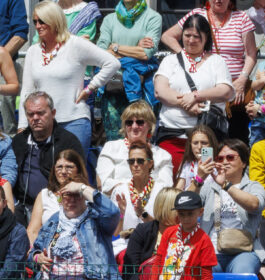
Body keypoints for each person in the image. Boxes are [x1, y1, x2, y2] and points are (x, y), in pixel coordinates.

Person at [18, 2, 120, 155]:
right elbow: (27, 91)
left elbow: (112, 63)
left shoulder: (75, 44)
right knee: (47, 174)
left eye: (42, 21)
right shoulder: (33, 51)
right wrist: (22, 124)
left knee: (74, 173)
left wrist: (90, 87)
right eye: (35, 22)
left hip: (74, 121)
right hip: (43, 124)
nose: (37, 26)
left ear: (54, 20)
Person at [162, 0, 255, 141]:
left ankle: (225, 160)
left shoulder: (241, 18)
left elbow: (251, 54)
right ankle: (206, 160)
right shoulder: (197, 15)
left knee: (235, 141)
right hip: (204, 89)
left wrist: (242, 79)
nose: (219, 0)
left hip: (234, 90)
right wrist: (185, 57)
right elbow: (167, 36)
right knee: (206, 140)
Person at [154, 15, 234, 172]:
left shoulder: (216, 61)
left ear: (206, 37)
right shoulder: (170, 61)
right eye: (187, 35)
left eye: (196, 36)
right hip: (173, 137)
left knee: (206, 177)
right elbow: (160, 91)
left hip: (206, 140)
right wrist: (187, 104)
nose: (191, 40)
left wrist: (197, 96)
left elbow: (225, 90)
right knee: (173, 183)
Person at [12, 92, 89, 216]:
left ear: (53, 113)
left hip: (59, 206)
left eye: (41, 113)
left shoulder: (68, 141)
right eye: (31, 114)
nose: (35, 118)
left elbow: (79, 177)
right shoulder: (19, 141)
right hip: (24, 208)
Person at [199, 139, 265, 275]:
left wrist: (227, 186)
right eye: (220, 158)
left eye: (230, 157)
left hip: (244, 252)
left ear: (243, 162)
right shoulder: (209, 187)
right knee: (205, 275)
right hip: (211, 251)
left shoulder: (253, 186)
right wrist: (199, 178)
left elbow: (255, 205)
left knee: (242, 272)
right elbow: (187, 206)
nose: (224, 162)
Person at [97, 6, 163, 140]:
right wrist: (136, 48)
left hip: (141, 89)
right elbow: (101, 53)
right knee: (116, 143)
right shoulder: (109, 19)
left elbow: (145, 54)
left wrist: (115, 47)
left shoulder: (153, 17)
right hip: (113, 89)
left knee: (142, 142)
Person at [97, 101, 174, 202]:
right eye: (129, 122)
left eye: (140, 122)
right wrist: (138, 189)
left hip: (151, 206)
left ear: (150, 126)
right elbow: (104, 184)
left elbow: (166, 187)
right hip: (117, 205)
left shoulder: (163, 155)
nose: (134, 126)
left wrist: (124, 187)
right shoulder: (110, 148)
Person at [111, 140, 166, 255]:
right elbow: (115, 235)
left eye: (140, 161)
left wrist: (143, 214)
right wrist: (121, 215)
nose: (135, 164)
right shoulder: (120, 191)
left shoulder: (161, 191)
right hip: (125, 247)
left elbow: (164, 230)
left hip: (153, 246)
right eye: (131, 161)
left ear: (150, 164)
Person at [26, 148, 90, 243]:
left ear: (78, 169)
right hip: (47, 250)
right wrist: (37, 253)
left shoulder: (88, 194)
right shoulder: (45, 195)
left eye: (69, 167)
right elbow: (32, 231)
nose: (63, 171)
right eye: (59, 167)